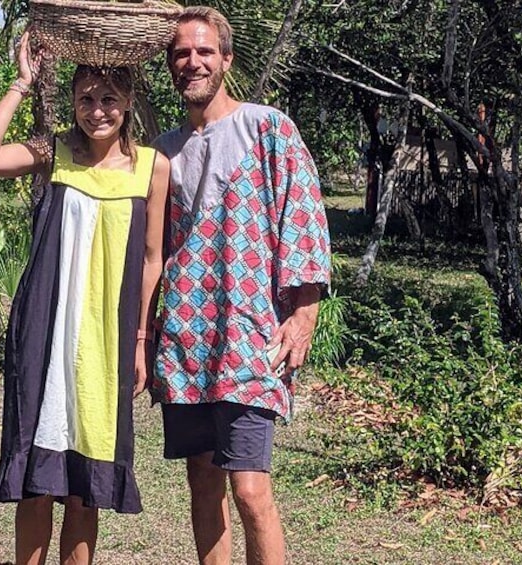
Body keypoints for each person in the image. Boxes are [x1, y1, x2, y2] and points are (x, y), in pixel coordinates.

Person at [0, 32, 169, 565]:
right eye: (85, 98)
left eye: (108, 99)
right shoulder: (53, 151)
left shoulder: (153, 167)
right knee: (37, 473)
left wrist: (142, 340)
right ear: (72, 102)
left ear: (127, 103)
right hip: (46, 326)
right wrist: (20, 83)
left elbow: (152, 259)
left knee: (88, 474)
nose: (96, 111)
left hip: (109, 337)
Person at [151, 7, 331, 565]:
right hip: (187, 342)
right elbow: (152, 253)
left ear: (226, 59)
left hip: (250, 339)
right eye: (182, 53)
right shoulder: (163, 151)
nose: (193, 62)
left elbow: (302, 220)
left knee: (251, 491)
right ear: (170, 66)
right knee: (203, 485)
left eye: (205, 51)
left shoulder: (268, 128)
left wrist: (303, 315)